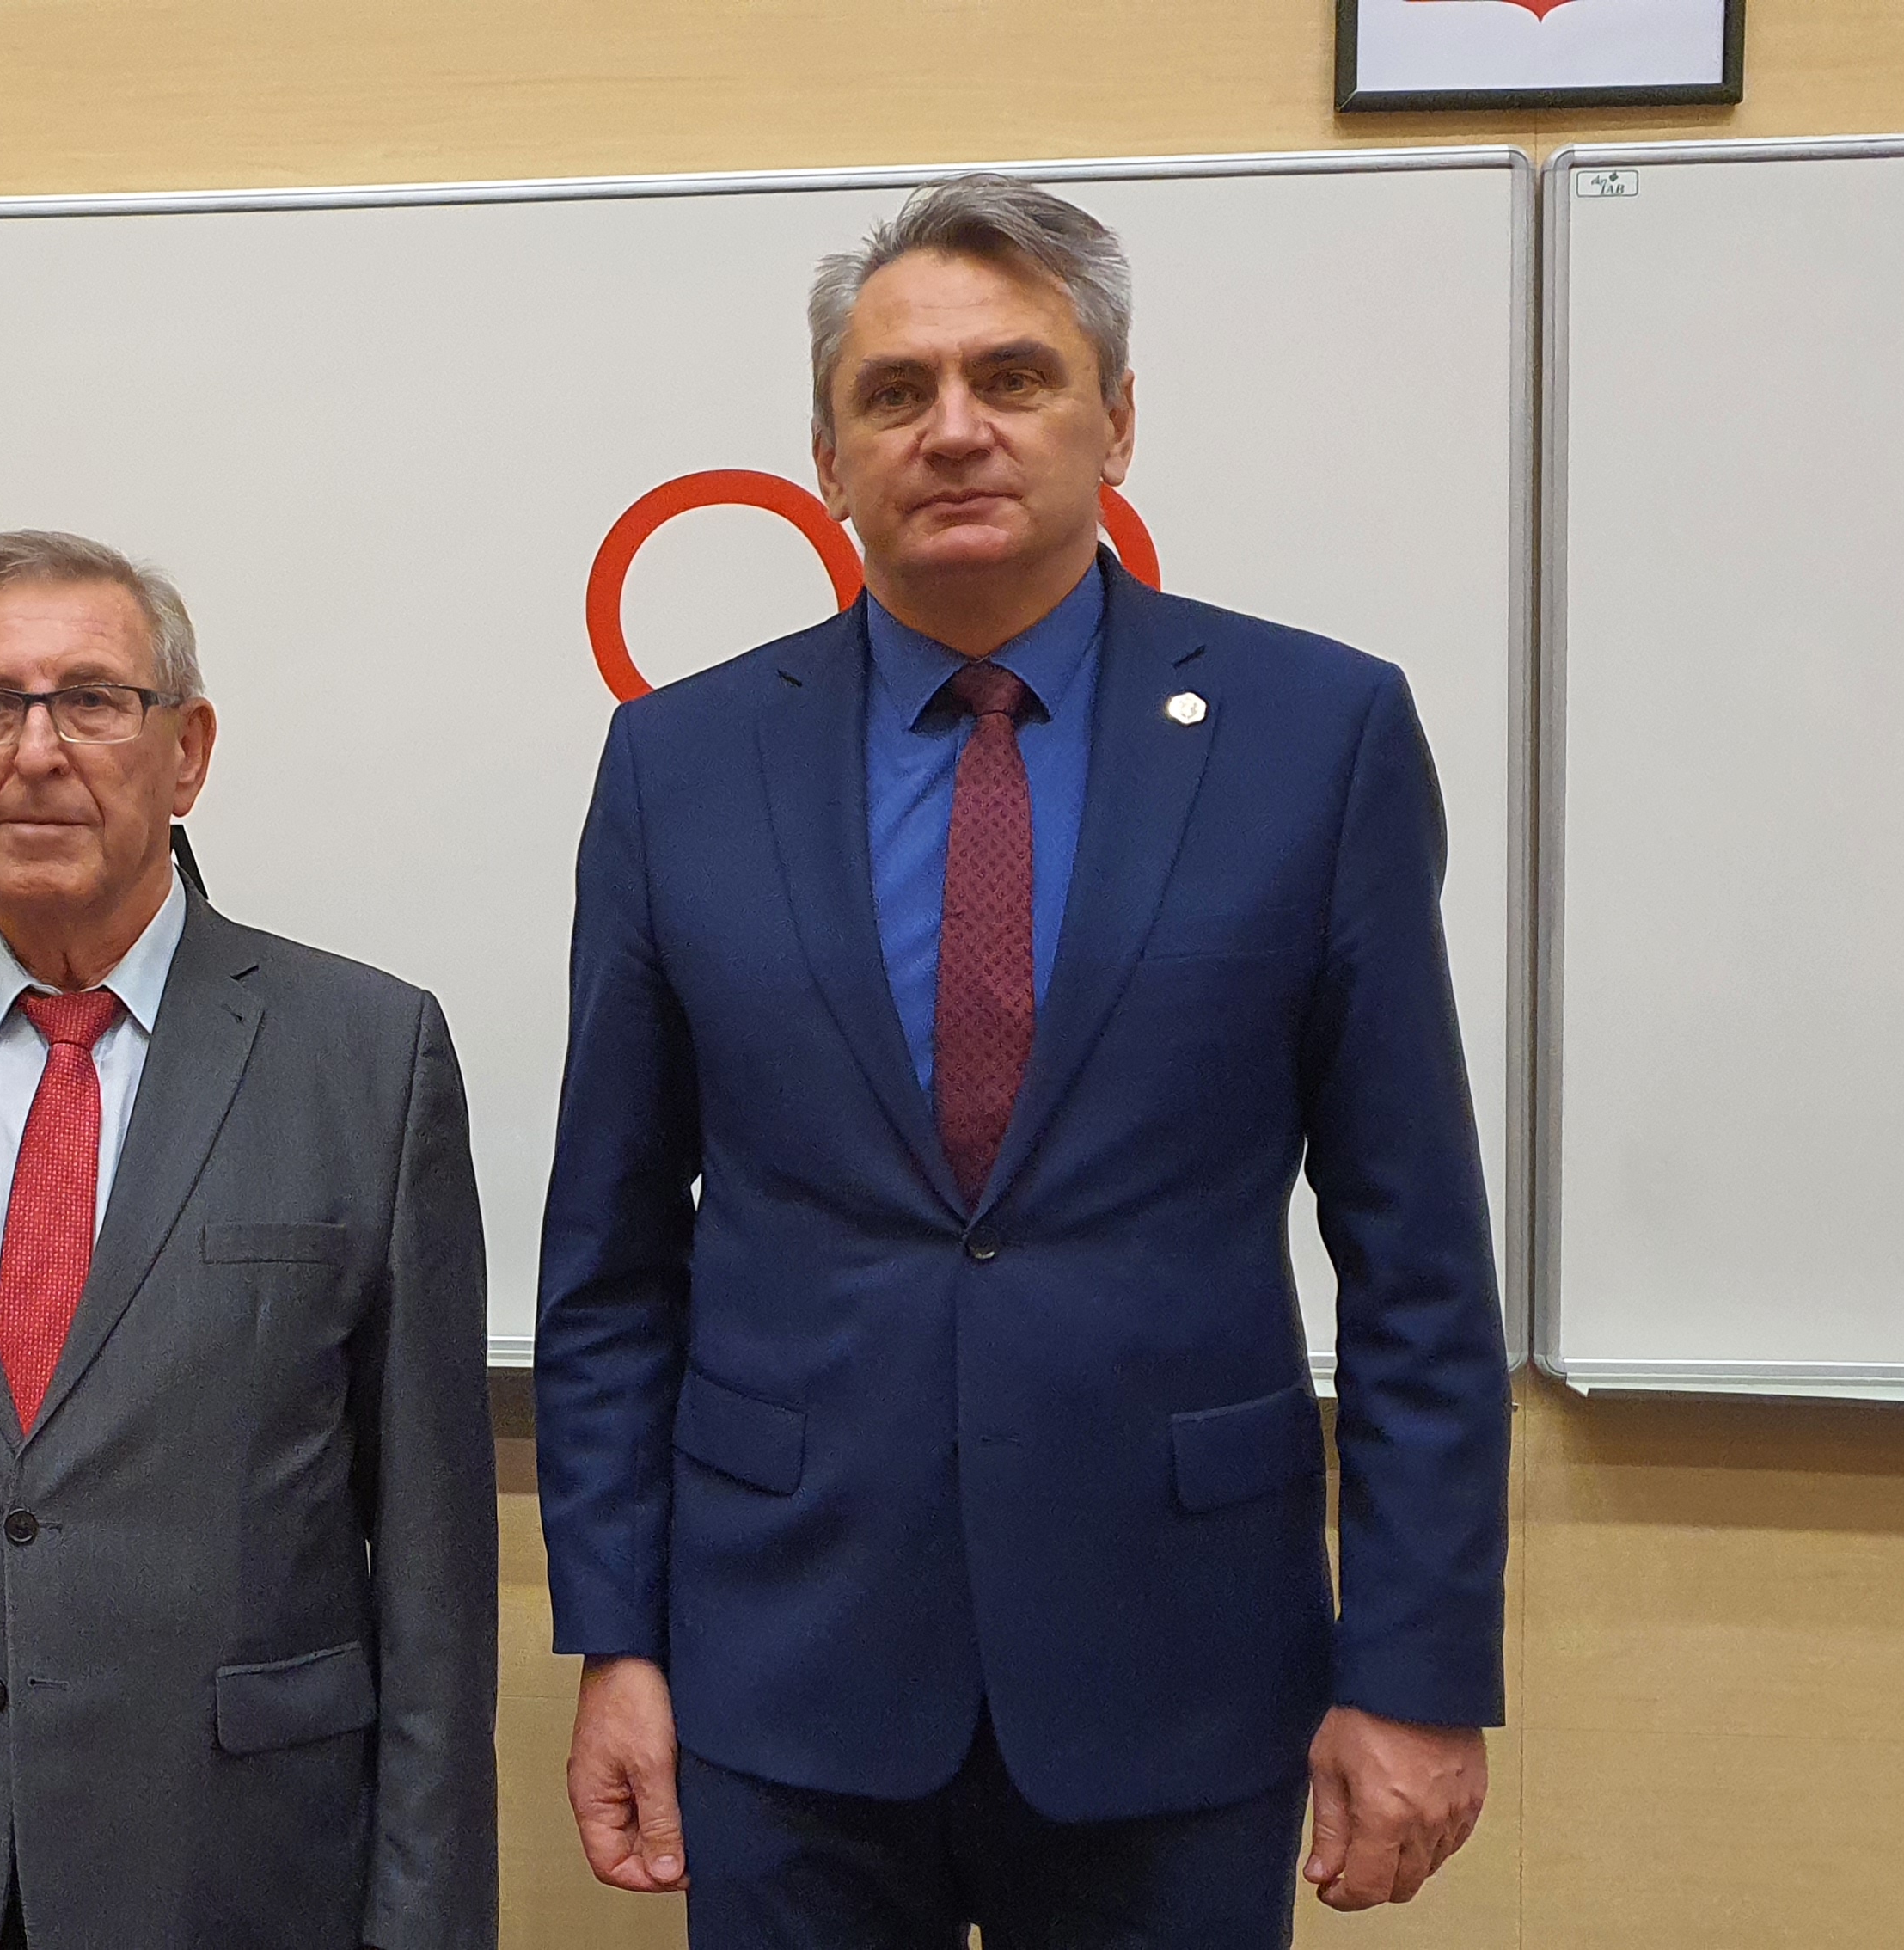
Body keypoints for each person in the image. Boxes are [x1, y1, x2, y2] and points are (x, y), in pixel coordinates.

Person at [536, 175, 1510, 1944]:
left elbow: (1419, 1256)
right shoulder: (679, 766)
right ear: (827, 458)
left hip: (1183, 1662)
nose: (955, 428)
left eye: (1014, 377)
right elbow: (608, 1262)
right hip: (784, 1666)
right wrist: (618, 1637)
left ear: (1115, 422)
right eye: (895, 393)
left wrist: (1420, 1668)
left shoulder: (1317, 738)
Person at [0, 530, 497, 1950]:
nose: (37, 751)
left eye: (91, 700)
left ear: (187, 753)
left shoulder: (368, 1056)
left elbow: (434, 1564)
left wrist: (427, 1923)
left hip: (236, 1872)